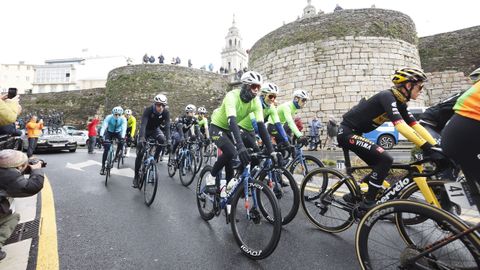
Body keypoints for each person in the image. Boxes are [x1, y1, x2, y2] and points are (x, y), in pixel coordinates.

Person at [337, 67, 438, 209]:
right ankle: (368, 203)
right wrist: (426, 147)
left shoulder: (400, 102)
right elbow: (401, 126)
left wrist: (435, 146)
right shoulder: (387, 96)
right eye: (420, 87)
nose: (421, 90)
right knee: (386, 159)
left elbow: (415, 125)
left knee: (382, 166)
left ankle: (354, 195)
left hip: (356, 134)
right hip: (347, 133)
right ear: (408, 86)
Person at [205, 71, 276, 194]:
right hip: (217, 126)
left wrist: (272, 151)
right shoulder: (232, 96)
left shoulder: (256, 102)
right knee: (232, 151)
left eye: (258, 88)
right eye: (254, 86)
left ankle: (228, 194)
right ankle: (211, 176)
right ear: (245, 85)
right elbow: (232, 121)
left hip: (229, 129)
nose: (256, 91)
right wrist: (240, 146)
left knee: (235, 160)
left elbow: (261, 126)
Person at [442, 74, 480, 210]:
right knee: (449, 175)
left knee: (472, 182)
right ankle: (446, 211)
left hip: (461, 130)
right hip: (456, 133)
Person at [0, 149, 44, 261]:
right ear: (19, 166)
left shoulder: (4, 170)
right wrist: (37, 170)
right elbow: (31, 187)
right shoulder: (8, 177)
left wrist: (27, 168)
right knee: (12, 217)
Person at [134, 94, 171, 187]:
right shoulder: (149, 110)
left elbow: (167, 127)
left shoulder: (166, 113)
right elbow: (143, 124)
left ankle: (155, 158)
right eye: (159, 105)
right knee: (141, 153)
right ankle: (136, 176)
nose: (161, 107)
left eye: (163, 105)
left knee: (162, 140)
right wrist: (142, 137)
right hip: (146, 130)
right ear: (155, 104)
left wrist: (169, 140)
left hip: (155, 129)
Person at [99, 107, 127, 175]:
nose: (117, 116)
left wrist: (123, 138)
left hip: (118, 132)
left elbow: (124, 128)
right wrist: (101, 136)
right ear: (113, 114)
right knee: (106, 147)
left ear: (121, 114)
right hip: (109, 132)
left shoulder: (123, 119)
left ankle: (116, 155)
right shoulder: (109, 117)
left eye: (119, 115)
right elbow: (104, 126)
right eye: (115, 114)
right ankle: (103, 167)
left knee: (121, 143)